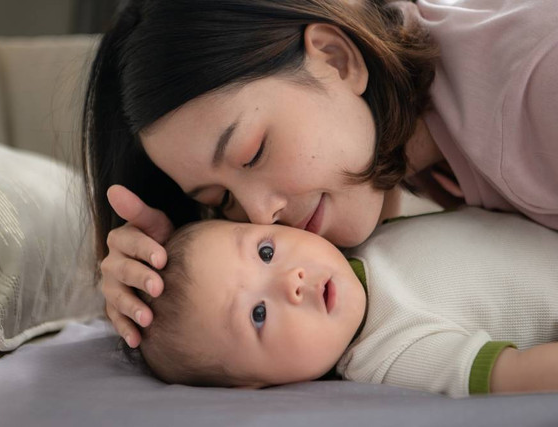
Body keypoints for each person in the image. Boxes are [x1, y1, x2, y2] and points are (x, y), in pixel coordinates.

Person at [81, 0, 558, 347]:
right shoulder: (395, 145)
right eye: (223, 198)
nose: (261, 214)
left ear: (336, 59)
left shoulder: (540, 81)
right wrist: (167, 286)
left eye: (252, 154)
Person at [130, 207, 558, 397]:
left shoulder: (356, 239)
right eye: (258, 315)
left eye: (266, 252)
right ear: (253, 385)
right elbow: (513, 376)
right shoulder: (390, 353)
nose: (290, 282)